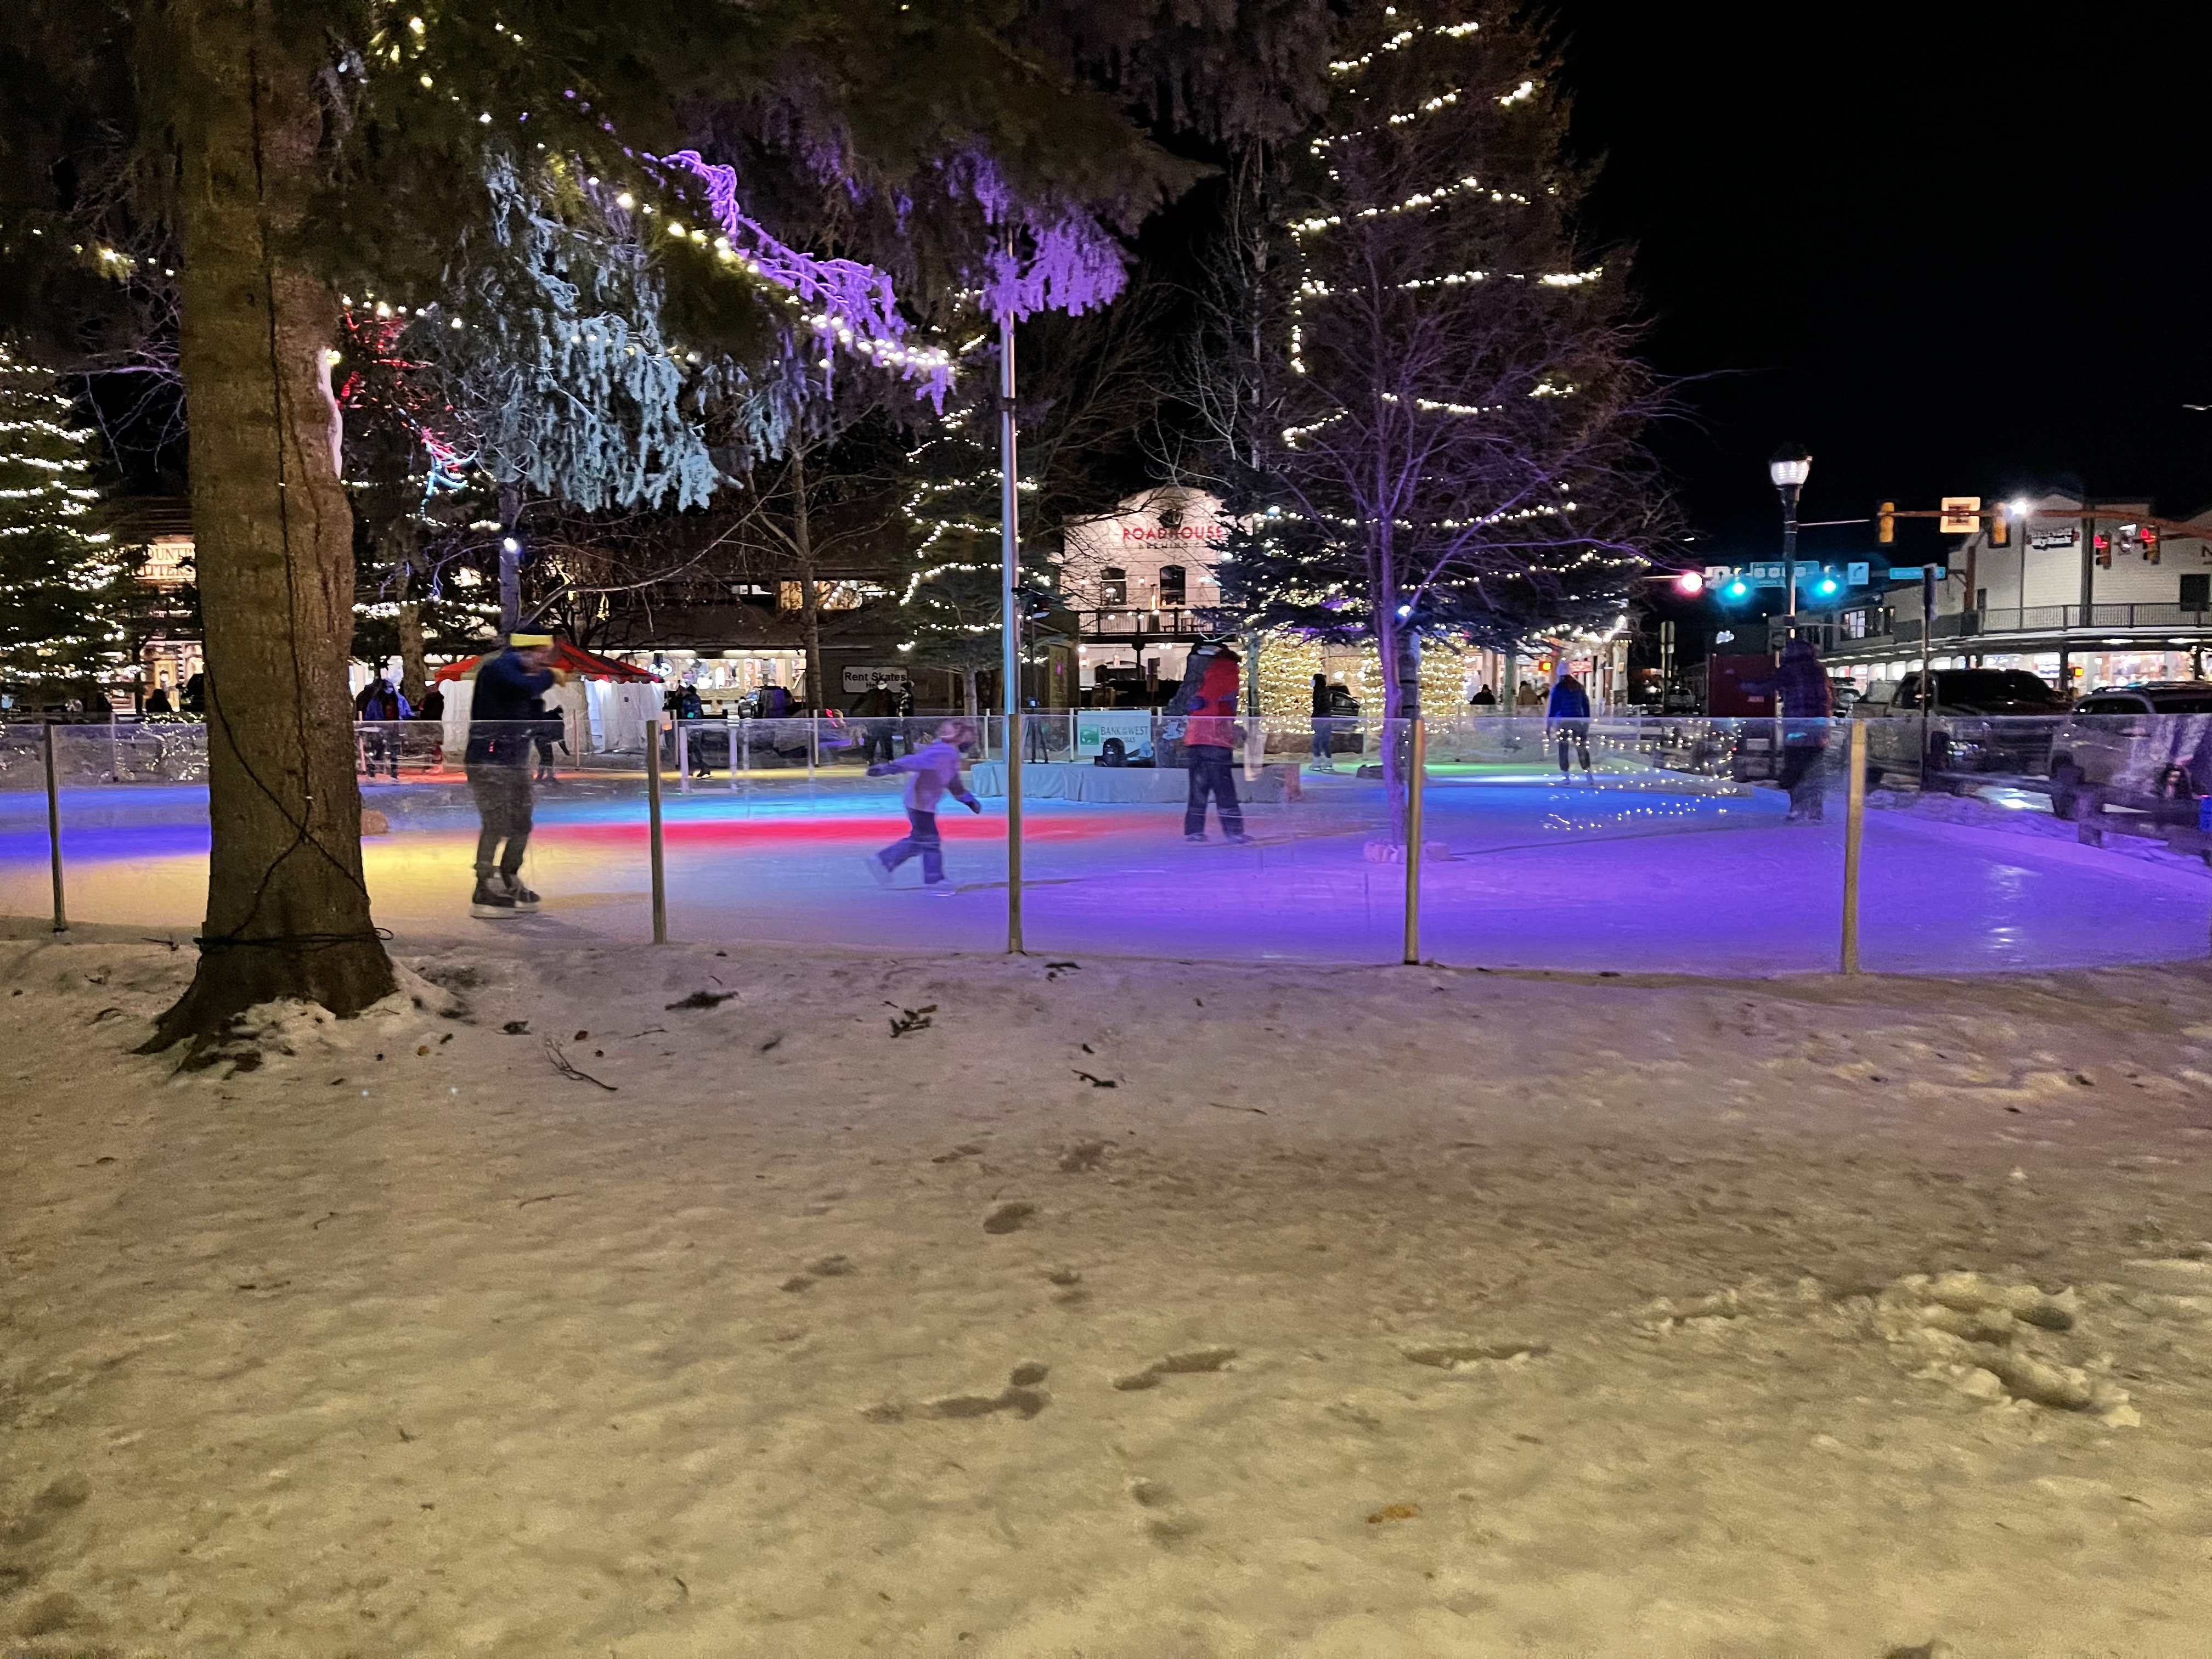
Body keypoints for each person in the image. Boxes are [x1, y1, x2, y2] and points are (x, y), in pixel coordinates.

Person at [465, 632, 562, 917]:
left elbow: (530, 714)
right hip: (489, 761)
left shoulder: (522, 675)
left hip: (514, 761)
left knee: (521, 822)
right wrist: (549, 677)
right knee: (496, 821)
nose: (544, 660)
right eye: (542, 653)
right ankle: (484, 886)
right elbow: (518, 685)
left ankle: (510, 876)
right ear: (525, 650)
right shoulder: (500, 666)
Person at [862, 719, 981, 892]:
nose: (972, 741)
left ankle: (884, 861)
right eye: (970, 736)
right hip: (920, 803)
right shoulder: (944, 752)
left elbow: (953, 781)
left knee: (920, 840)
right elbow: (916, 761)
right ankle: (934, 880)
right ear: (959, 736)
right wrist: (889, 768)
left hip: (922, 802)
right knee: (930, 842)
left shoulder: (949, 753)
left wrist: (967, 798)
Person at [1741, 636, 1835, 822]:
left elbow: (1763, 687)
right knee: (1814, 770)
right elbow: (1831, 695)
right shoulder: (1818, 669)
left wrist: (1738, 683)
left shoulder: (1790, 670)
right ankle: (1816, 811)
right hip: (1819, 730)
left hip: (1797, 729)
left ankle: (1797, 810)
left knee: (1795, 767)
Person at [1177, 642, 1249, 844]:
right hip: (1216, 741)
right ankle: (1233, 831)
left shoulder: (1209, 676)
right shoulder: (1228, 674)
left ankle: (1193, 830)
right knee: (1224, 789)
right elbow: (1223, 710)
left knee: (1199, 788)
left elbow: (1200, 704)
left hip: (1196, 739)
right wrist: (1235, 729)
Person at [354, 674, 412, 780]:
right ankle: (373, 772)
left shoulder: (398, 699)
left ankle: (392, 774)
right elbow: (370, 714)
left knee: (392, 752)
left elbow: (406, 712)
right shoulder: (377, 700)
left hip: (393, 729)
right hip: (380, 729)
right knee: (379, 751)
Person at [1547, 672, 1593, 780]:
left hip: (1563, 722)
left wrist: (1549, 726)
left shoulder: (1559, 689)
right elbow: (1586, 707)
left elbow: (1553, 708)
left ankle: (1565, 775)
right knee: (1581, 748)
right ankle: (1588, 773)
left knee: (1563, 749)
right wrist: (1586, 722)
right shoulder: (1579, 688)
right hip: (1577, 722)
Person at [1310, 673, 1338, 771]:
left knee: (1316, 741)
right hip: (1327, 717)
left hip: (1320, 718)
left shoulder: (1318, 692)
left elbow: (1317, 707)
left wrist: (1313, 719)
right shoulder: (1326, 691)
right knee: (1325, 741)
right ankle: (1329, 762)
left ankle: (1317, 762)